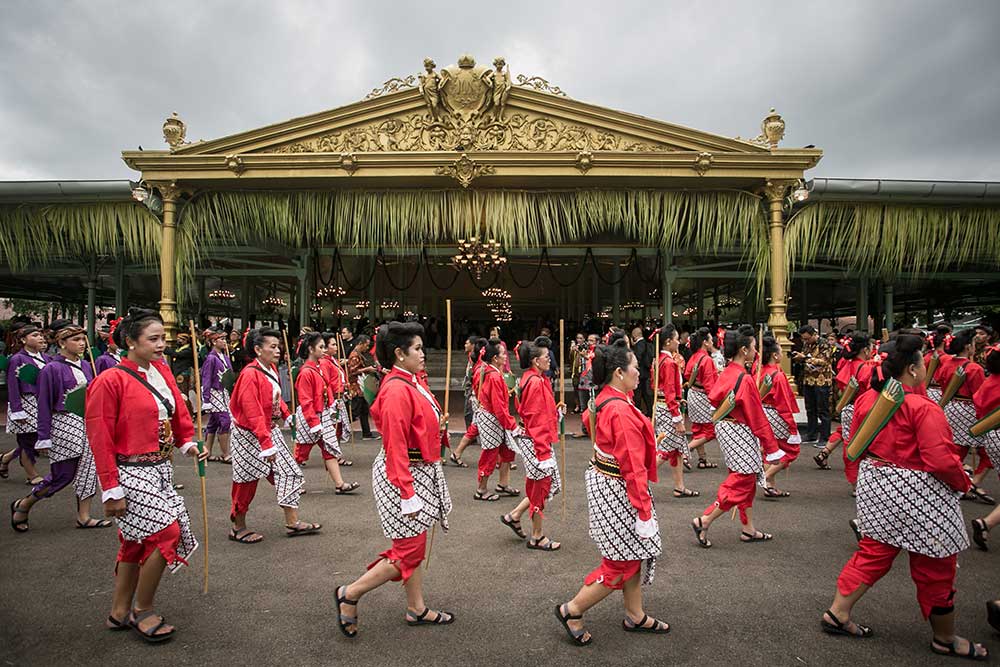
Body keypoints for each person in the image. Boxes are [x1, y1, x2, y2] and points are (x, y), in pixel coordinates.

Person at [820, 334, 987, 661]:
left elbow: (856, 441)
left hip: (877, 485)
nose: (927, 366)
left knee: (874, 552)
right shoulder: (922, 408)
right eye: (923, 361)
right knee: (936, 562)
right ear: (911, 369)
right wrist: (962, 482)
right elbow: (940, 459)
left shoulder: (870, 399)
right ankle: (945, 637)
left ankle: (838, 612)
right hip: (917, 492)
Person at [84, 308, 207, 642]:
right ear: (130, 341)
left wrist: (187, 444)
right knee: (168, 531)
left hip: (161, 469)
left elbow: (178, 414)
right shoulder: (110, 380)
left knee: (134, 542)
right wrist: (110, 487)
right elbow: (99, 435)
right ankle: (144, 608)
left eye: (162, 338)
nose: (161, 345)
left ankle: (118, 611)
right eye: (153, 339)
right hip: (128, 471)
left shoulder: (162, 372)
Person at [335, 322, 453, 638]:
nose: (423, 354)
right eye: (417, 348)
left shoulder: (409, 381)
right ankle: (350, 593)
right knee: (409, 552)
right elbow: (396, 444)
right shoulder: (398, 388)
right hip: (402, 475)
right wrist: (406, 490)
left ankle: (416, 607)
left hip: (417, 471)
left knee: (412, 545)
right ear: (399, 354)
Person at [554, 339, 667, 646]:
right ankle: (572, 609)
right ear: (619, 372)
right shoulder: (619, 409)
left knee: (632, 553)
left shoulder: (605, 398)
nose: (640, 373)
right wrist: (644, 509)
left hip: (609, 480)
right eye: (635, 368)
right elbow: (631, 464)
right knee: (620, 562)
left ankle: (635, 613)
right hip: (620, 487)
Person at [10, 319, 110, 532]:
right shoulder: (52, 368)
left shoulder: (86, 365)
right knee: (63, 473)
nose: (82, 343)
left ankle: (84, 516)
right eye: (76, 340)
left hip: (88, 422)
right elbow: (44, 403)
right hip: (64, 421)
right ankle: (25, 503)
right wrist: (43, 435)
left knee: (89, 470)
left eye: (83, 339)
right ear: (62, 343)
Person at [691, 328, 785, 548]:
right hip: (740, 430)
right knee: (741, 481)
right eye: (753, 347)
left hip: (727, 428)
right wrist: (771, 446)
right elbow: (757, 417)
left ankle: (748, 528)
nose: (756, 352)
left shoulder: (727, 372)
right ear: (744, 350)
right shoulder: (744, 378)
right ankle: (704, 520)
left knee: (745, 480)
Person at [227, 328, 320, 543]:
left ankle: (292, 520)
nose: (278, 351)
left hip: (268, 430)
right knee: (246, 480)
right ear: (258, 349)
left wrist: (288, 416)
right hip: (249, 434)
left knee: (289, 472)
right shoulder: (250, 374)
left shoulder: (270, 368)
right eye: (273, 347)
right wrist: (265, 442)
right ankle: (238, 526)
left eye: (278, 346)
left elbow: (276, 400)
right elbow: (253, 412)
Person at [500, 337, 563, 551]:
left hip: (533, 440)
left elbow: (539, 412)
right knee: (540, 487)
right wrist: (543, 450)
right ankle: (537, 536)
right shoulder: (535, 382)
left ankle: (515, 515)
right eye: (547, 357)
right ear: (536, 360)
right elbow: (537, 419)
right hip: (537, 442)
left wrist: (556, 412)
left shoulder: (530, 378)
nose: (550, 360)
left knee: (542, 485)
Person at [293, 331, 358, 494]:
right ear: (310, 349)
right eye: (321, 347)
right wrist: (314, 423)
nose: (324, 350)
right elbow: (305, 401)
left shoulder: (318, 367)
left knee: (329, 448)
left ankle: (340, 484)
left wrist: (332, 403)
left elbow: (327, 387)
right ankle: (293, 483)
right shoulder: (306, 372)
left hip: (322, 414)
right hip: (310, 417)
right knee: (300, 454)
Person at [814, 332, 874, 481]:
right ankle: (855, 479)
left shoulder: (847, 364)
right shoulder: (866, 368)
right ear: (865, 350)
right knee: (859, 444)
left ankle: (826, 454)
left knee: (846, 436)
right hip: (862, 408)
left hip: (848, 407)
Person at [652, 324, 697, 498]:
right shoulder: (669, 362)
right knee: (665, 450)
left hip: (663, 406)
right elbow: (670, 392)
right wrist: (677, 418)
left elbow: (661, 388)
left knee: (675, 450)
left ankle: (679, 486)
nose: (679, 342)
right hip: (669, 409)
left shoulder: (659, 360)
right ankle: (637, 481)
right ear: (668, 341)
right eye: (676, 339)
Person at [1, 322, 48, 485]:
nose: (40, 337)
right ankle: (31, 474)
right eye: (34, 335)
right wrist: (16, 409)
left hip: (43, 402)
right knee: (27, 440)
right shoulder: (17, 359)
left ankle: (6, 458)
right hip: (25, 402)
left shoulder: (46, 358)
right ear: (22, 340)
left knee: (38, 438)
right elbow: (13, 386)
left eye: (40, 335)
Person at [473, 338, 520, 501]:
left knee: (507, 451)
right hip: (493, 418)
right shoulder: (493, 376)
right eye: (503, 354)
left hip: (495, 417)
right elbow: (498, 406)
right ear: (495, 358)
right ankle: (481, 489)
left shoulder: (489, 372)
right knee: (490, 454)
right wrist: (511, 424)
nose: (506, 356)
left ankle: (503, 483)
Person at [759, 336, 803, 497]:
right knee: (791, 450)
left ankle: (770, 485)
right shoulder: (776, 375)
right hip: (775, 413)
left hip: (764, 412)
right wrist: (792, 427)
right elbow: (783, 403)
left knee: (770, 450)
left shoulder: (761, 371)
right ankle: (766, 477)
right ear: (775, 355)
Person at [970, 344, 1000, 551]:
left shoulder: (989, 382)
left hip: (991, 433)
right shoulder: (974, 370)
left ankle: (987, 523)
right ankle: (986, 523)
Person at [684, 327, 719, 469]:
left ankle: (702, 460)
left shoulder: (694, 357)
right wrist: (716, 402)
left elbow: (687, 374)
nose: (712, 343)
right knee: (711, 431)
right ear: (705, 342)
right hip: (703, 396)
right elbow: (710, 385)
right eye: (711, 340)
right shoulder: (707, 359)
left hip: (693, 393)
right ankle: (687, 450)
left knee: (698, 429)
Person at [793, 325, 834, 449]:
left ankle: (825, 437)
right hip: (808, 380)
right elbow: (805, 357)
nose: (805, 341)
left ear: (813, 335)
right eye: (804, 339)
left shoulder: (824, 344)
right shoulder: (807, 345)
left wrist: (805, 358)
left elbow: (825, 361)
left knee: (823, 410)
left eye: (807, 339)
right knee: (810, 409)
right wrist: (799, 357)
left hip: (822, 380)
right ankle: (811, 434)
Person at [200, 327, 233, 463]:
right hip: (214, 393)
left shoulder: (225, 357)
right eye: (221, 339)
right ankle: (225, 454)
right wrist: (206, 398)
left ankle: (207, 451)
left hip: (224, 392)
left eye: (225, 339)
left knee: (213, 423)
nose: (224, 342)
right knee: (225, 421)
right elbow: (206, 378)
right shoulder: (211, 358)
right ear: (213, 341)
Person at [346, 335, 378, 440]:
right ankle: (340, 431)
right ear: (361, 343)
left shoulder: (358, 354)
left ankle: (367, 433)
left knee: (363, 410)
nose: (367, 347)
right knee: (354, 411)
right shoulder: (354, 355)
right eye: (366, 345)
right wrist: (367, 369)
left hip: (360, 386)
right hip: (356, 387)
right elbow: (352, 371)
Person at [924, 325, 953, 404]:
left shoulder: (926, 356)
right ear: (944, 341)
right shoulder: (947, 359)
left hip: (926, 390)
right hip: (941, 392)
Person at [632, 326, 654, 417]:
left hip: (641, 373)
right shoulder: (647, 343)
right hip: (646, 372)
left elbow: (638, 357)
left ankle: (639, 411)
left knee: (639, 394)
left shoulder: (640, 344)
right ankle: (649, 411)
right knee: (646, 394)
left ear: (634, 335)